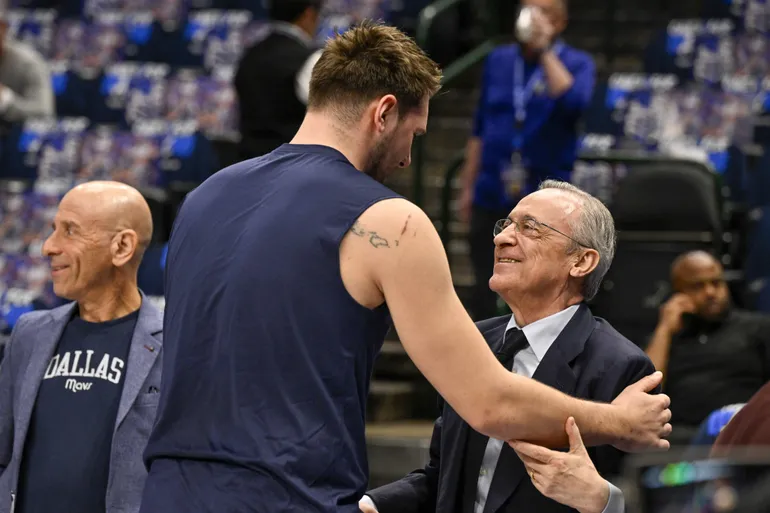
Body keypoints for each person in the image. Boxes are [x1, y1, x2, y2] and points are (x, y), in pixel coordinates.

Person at [140, 22, 670, 513]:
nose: (408, 160)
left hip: (167, 492)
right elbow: (487, 401)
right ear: (384, 113)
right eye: (414, 134)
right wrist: (616, 421)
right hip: (286, 494)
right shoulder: (389, 220)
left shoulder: (206, 196)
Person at [361, 181, 656, 513]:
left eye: (530, 228)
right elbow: (442, 477)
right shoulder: (473, 342)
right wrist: (372, 502)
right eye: (506, 225)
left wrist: (603, 500)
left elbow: (654, 500)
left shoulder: (622, 366)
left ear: (581, 262)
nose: (500, 238)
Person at [0, 181, 162, 513]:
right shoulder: (28, 335)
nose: (48, 247)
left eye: (69, 232)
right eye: (53, 230)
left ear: (122, 247)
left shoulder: (176, 345)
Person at [459, 0, 595, 320]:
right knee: (484, 284)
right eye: (527, 9)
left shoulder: (576, 62)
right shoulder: (499, 59)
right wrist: (467, 187)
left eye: (544, 11)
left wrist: (545, 49)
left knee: (543, 285)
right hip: (492, 189)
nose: (532, 18)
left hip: (546, 197)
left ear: (560, 22)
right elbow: (479, 127)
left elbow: (573, 103)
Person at [645, 250, 770, 441]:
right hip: (679, 445)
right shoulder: (666, 339)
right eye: (697, 286)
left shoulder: (757, 327)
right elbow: (647, 394)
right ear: (678, 294)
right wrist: (664, 329)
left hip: (740, 440)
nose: (710, 292)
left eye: (716, 283)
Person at [234, 0, 323, 160]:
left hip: (249, 165)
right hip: (294, 166)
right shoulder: (310, 60)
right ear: (309, 14)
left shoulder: (249, 56)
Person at [0, 11, 54, 124]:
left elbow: (43, 112)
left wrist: (5, 100)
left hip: (11, 135)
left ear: (3, 28)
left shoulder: (28, 63)